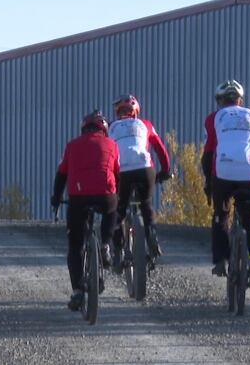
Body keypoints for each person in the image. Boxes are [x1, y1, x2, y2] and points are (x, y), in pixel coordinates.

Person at [201, 79, 250, 290]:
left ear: (220, 100)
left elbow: (208, 155)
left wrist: (208, 184)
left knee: (221, 214)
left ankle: (221, 259)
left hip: (223, 172)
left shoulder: (214, 118)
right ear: (240, 100)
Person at [51, 110, 120, 311]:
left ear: (84, 128)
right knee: (111, 210)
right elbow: (117, 174)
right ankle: (106, 245)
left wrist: (56, 199)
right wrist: (118, 197)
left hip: (78, 198)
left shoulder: (72, 146)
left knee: (75, 245)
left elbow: (61, 175)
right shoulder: (112, 145)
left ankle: (77, 291)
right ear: (104, 129)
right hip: (106, 195)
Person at [108, 94, 171, 259]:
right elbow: (160, 149)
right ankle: (152, 237)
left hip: (122, 171)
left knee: (118, 209)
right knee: (146, 205)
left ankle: (118, 251)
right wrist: (165, 170)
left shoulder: (111, 127)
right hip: (144, 168)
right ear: (136, 111)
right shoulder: (146, 125)